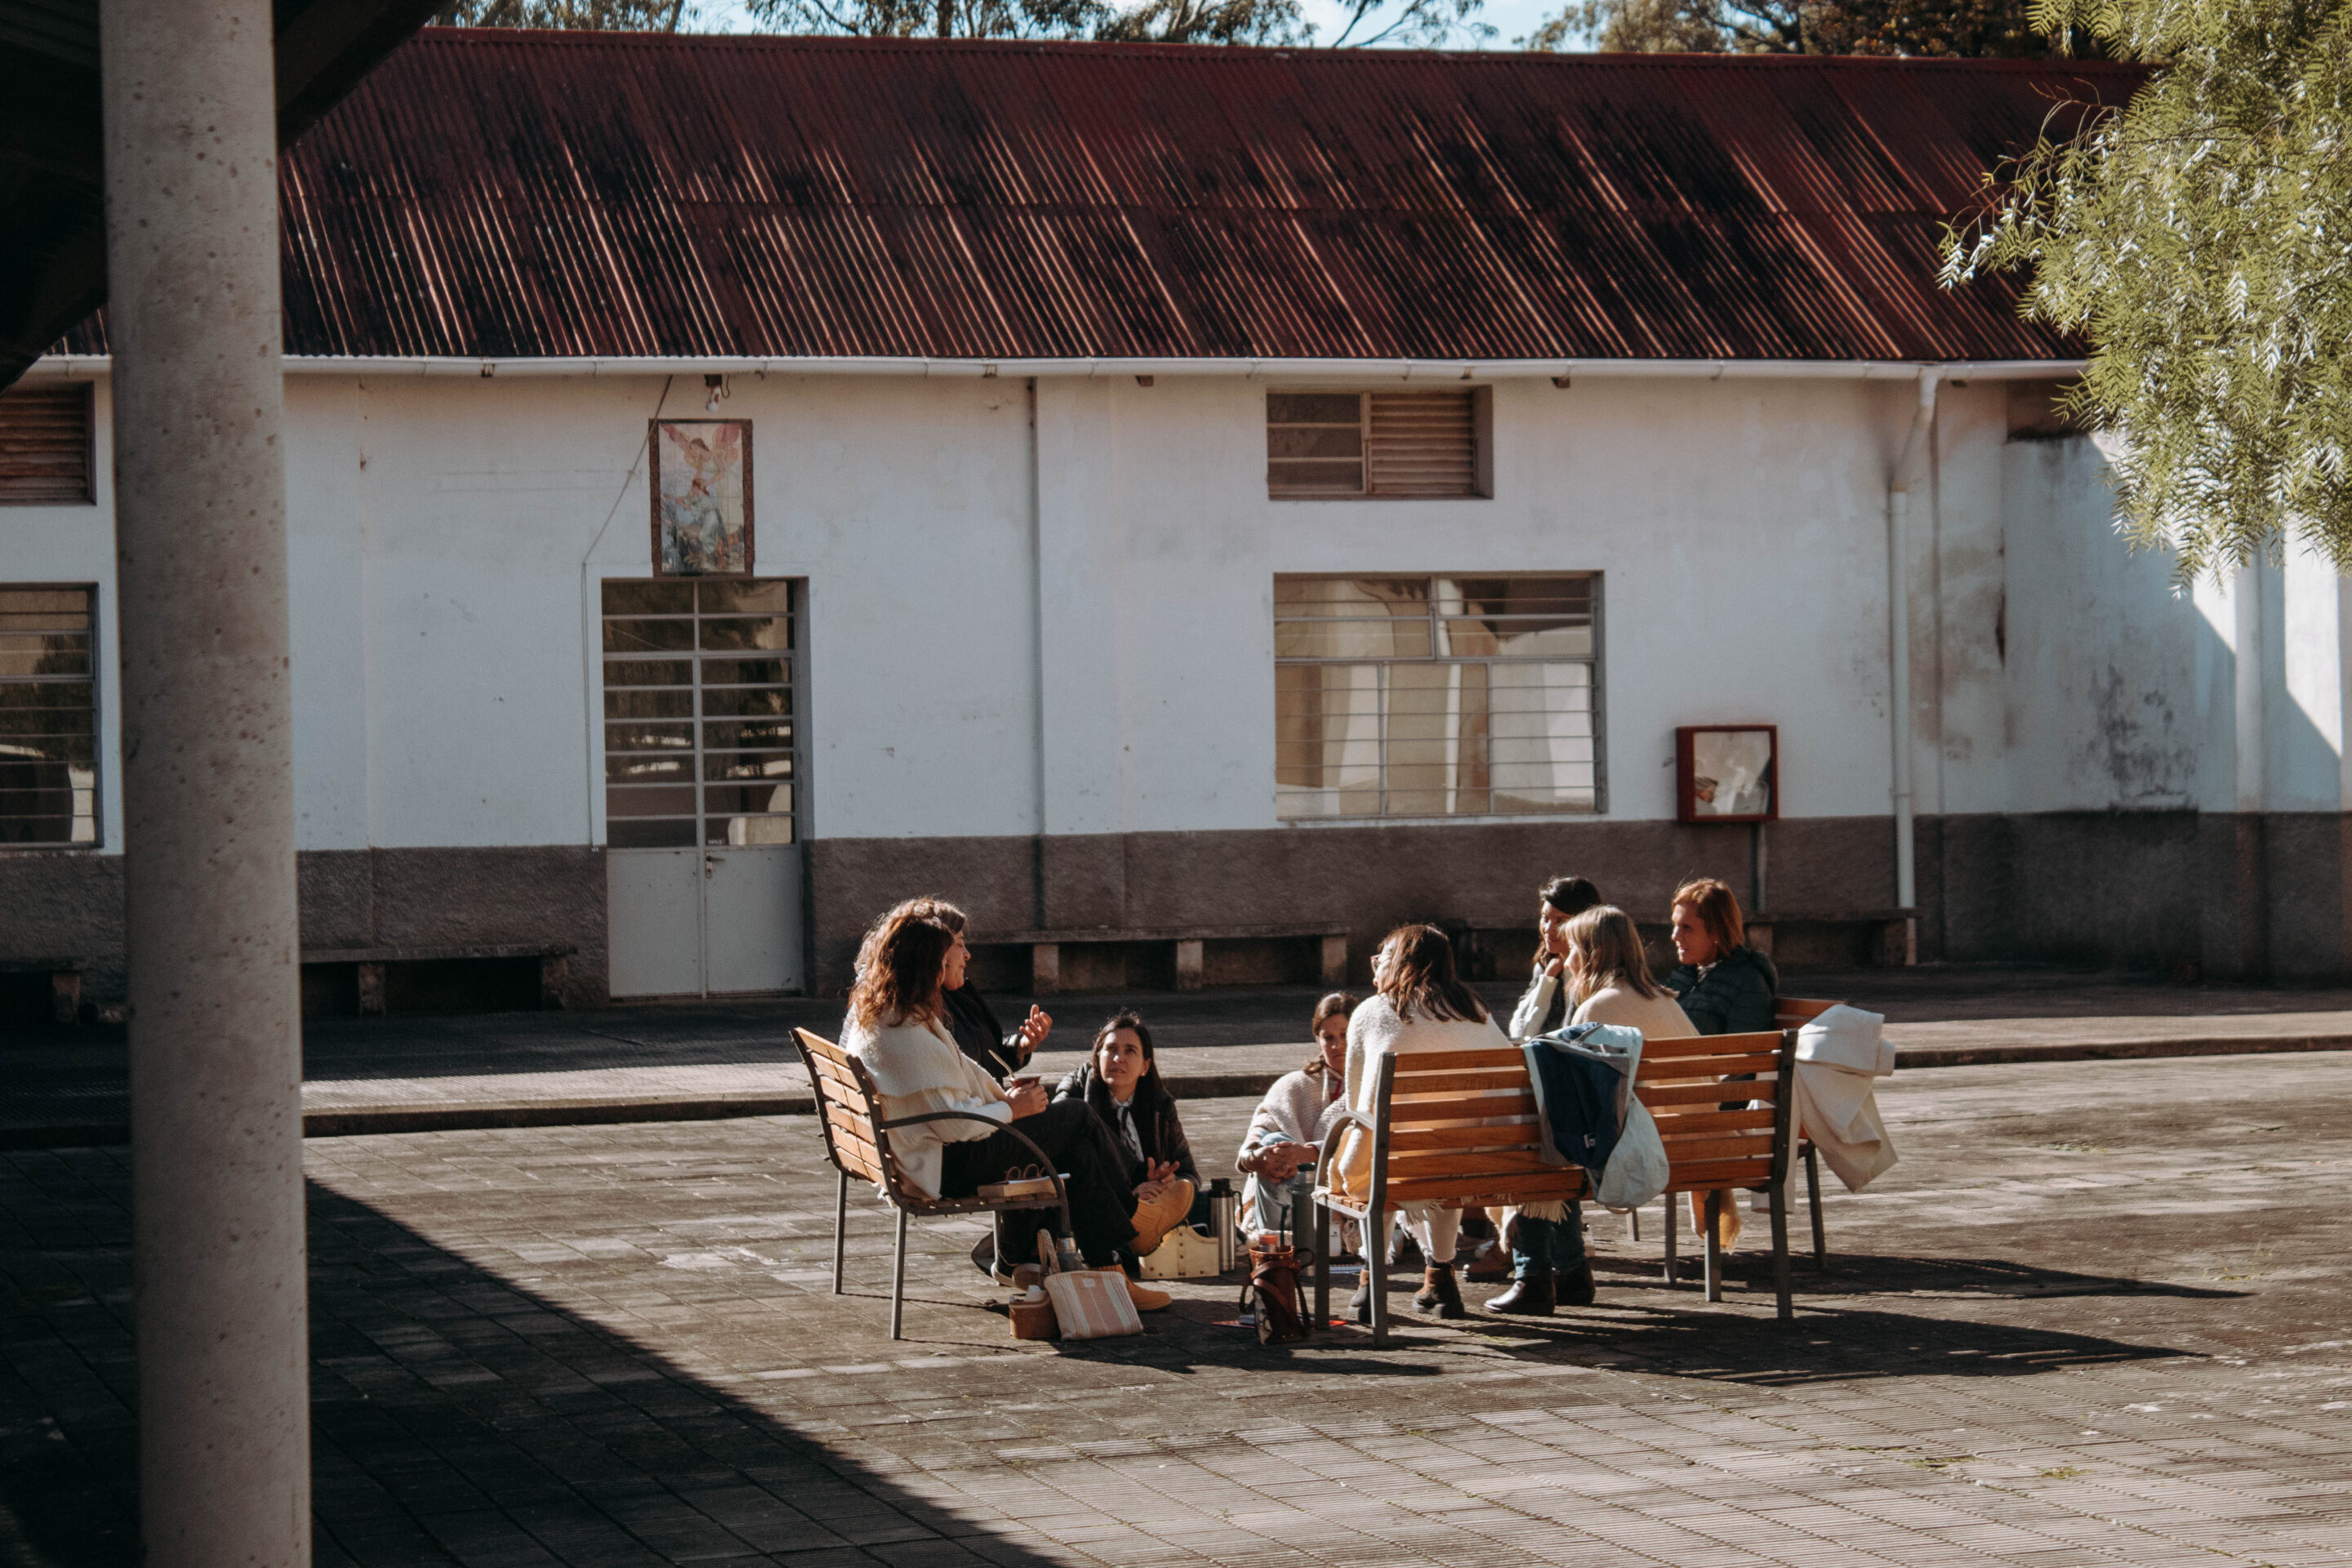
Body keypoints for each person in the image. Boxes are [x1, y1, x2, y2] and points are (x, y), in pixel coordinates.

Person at [840, 906, 1190, 1311]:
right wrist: (1013, 1110)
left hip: (928, 1154)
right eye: (947, 957)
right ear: (928, 967)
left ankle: (1112, 1271)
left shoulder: (891, 1015)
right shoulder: (905, 1031)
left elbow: (954, 1081)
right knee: (1075, 1115)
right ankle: (1136, 1224)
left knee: (1075, 1150)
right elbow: (955, 1126)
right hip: (945, 1165)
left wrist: (1005, 1099)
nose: (954, 964)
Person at [1491, 905, 1696, 1316]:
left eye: (1571, 951)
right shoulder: (1666, 999)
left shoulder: (1596, 1009)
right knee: (1561, 1143)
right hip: (1697, 1143)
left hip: (1643, 1149)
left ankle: (1535, 1275)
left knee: (1545, 1148)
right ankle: (1570, 1272)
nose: (1564, 960)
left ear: (1589, 954)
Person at [1332, 925, 1513, 1321]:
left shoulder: (1372, 1011)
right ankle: (1440, 1278)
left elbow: (1356, 1100)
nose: (1376, 968)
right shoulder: (1476, 1010)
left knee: (1374, 1145)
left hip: (1394, 1162)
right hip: (1471, 1162)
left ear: (1398, 963)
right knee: (1440, 1151)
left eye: (1382, 959)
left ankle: (1370, 1282)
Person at [1662, 876, 1780, 1253]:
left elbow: (1746, 1064)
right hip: (1678, 1098)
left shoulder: (1747, 981)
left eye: (1686, 927)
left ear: (1716, 932)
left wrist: (1707, 1105)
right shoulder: (1685, 975)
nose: (1675, 936)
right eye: (1674, 925)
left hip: (1716, 1111)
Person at [1052, 1012, 1201, 1257]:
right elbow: (1067, 1172)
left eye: (1130, 1050)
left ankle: (1145, 1228)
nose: (1118, 1058)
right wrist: (1131, 1194)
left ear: (1145, 1066)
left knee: (1208, 1203)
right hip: (1095, 1210)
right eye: (1110, 1049)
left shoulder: (1159, 1106)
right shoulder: (1074, 1094)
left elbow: (1190, 1174)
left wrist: (1166, 1183)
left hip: (1153, 1203)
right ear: (1097, 1057)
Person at [860, 898, 1052, 1082]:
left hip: (984, 1109)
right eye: (959, 944)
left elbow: (985, 1059)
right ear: (935, 951)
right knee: (1076, 1104)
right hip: (981, 1113)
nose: (967, 955)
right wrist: (1012, 1106)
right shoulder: (917, 1013)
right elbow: (957, 1092)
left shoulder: (951, 997)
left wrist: (1021, 1047)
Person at [1235, 992, 1356, 1241]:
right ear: (1317, 1039)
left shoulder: (1372, 1085)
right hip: (1286, 1199)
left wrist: (1310, 1154)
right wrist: (1255, 1156)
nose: (1337, 1046)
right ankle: (1279, 1235)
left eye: (1345, 1035)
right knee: (1271, 1142)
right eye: (1328, 1038)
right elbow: (1259, 1130)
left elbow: (1368, 1144)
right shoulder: (1294, 1085)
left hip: (1344, 1196)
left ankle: (1290, 1237)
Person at [1508, 875, 1604, 1040]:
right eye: (1545, 918)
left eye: (1560, 921)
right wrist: (1548, 980)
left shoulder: (1600, 971)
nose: (1548, 929)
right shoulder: (1546, 965)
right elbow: (1521, 1033)